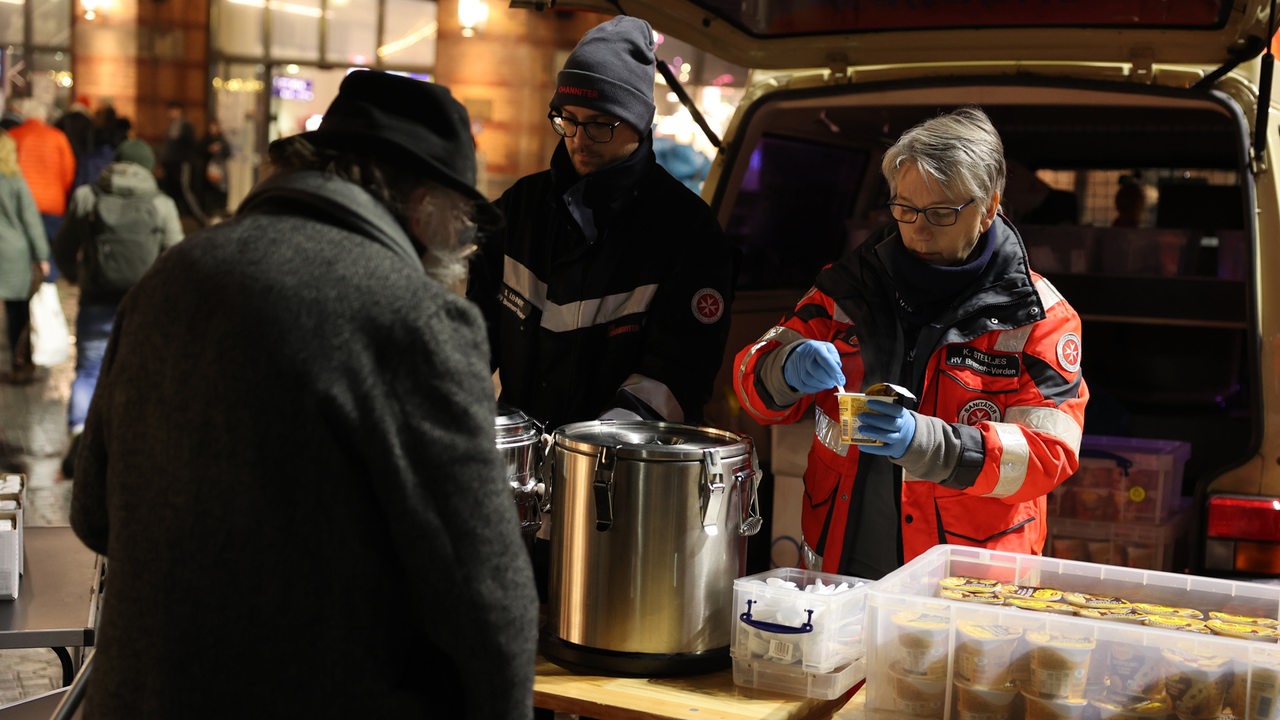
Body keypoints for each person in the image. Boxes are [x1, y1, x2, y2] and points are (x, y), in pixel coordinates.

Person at [69, 70, 538, 718]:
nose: (461, 248)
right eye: (462, 226)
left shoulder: (171, 275)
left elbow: (93, 515)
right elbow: (490, 601)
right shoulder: (413, 317)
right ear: (420, 204)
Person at [732, 106, 1089, 580]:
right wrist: (784, 368)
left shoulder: (1040, 317)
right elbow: (751, 384)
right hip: (841, 571)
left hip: (966, 589)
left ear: (987, 209)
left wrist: (927, 443)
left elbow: (1050, 453)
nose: (917, 229)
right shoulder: (845, 289)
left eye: (941, 212)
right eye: (904, 208)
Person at [467, 15, 736, 434]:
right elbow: (471, 333)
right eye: (567, 119)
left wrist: (595, 444)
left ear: (640, 122)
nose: (577, 139)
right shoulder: (520, 208)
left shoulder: (687, 231)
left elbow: (679, 368)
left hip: (626, 473)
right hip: (519, 465)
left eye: (599, 124)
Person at [52, 138, 184, 477]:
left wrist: (74, 275)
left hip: (97, 300)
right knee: (141, 371)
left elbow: (64, 246)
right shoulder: (161, 204)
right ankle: (134, 443)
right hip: (144, 305)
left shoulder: (87, 197)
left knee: (90, 371)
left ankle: (81, 439)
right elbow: (177, 256)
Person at [0, 128, 49, 384]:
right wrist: (42, 254)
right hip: (14, 252)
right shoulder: (15, 180)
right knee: (18, 309)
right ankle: (20, 362)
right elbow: (31, 220)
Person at [7, 98, 75, 280]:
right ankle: (48, 282)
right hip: (53, 203)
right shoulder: (58, 137)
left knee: (24, 247)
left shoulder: (14, 135)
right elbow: (68, 172)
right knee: (50, 247)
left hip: (22, 203)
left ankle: (24, 284)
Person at [158, 100, 198, 222]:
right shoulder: (171, 126)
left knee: (185, 191)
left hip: (181, 163)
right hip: (171, 164)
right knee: (172, 191)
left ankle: (198, 217)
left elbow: (190, 145)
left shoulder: (185, 126)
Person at [197, 118, 231, 220]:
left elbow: (228, 152)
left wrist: (219, 150)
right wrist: (208, 150)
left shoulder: (222, 140)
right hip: (207, 172)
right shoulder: (205, 140)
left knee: (221, 191)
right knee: (209, 193)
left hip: (220, 171)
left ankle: (220, 211)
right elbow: (199, 151)